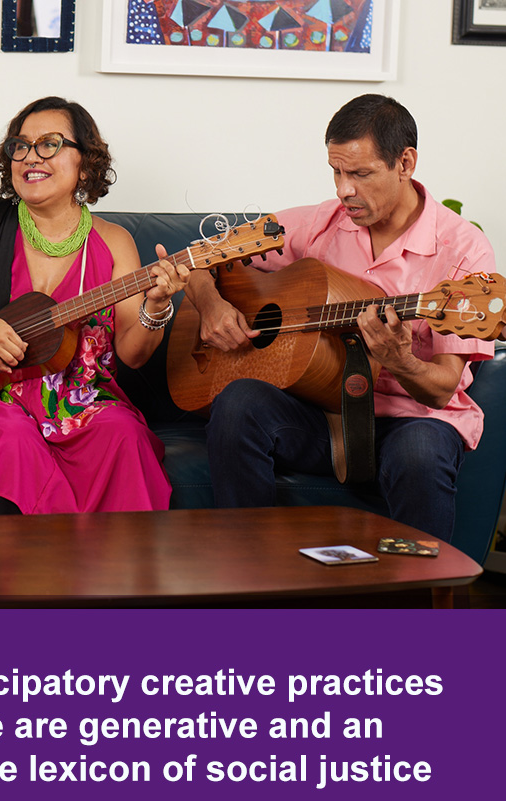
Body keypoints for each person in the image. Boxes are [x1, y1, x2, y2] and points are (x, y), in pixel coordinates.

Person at [185, 93, 496, 541]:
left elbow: (443, 389)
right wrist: (208, 303)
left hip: (411, 419)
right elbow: (199, 256)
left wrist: (399, 359)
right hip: (320, 412)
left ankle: (421, 606)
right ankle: (243, 577)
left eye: (361, 174)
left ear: (405, 163)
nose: (343, 190)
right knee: (238, 404)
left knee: (421, 455)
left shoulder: (464, 250)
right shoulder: (318, 223)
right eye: (336, 171)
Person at [0, 96, 189, 515]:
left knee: (121, 432)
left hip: (82, 403)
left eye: (50, 143)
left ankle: (111, 576)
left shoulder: (113, 242)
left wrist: (157, 306)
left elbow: (133, 353)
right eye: (21, 145)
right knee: (8, 433)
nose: (30, 156)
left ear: (85, 163)